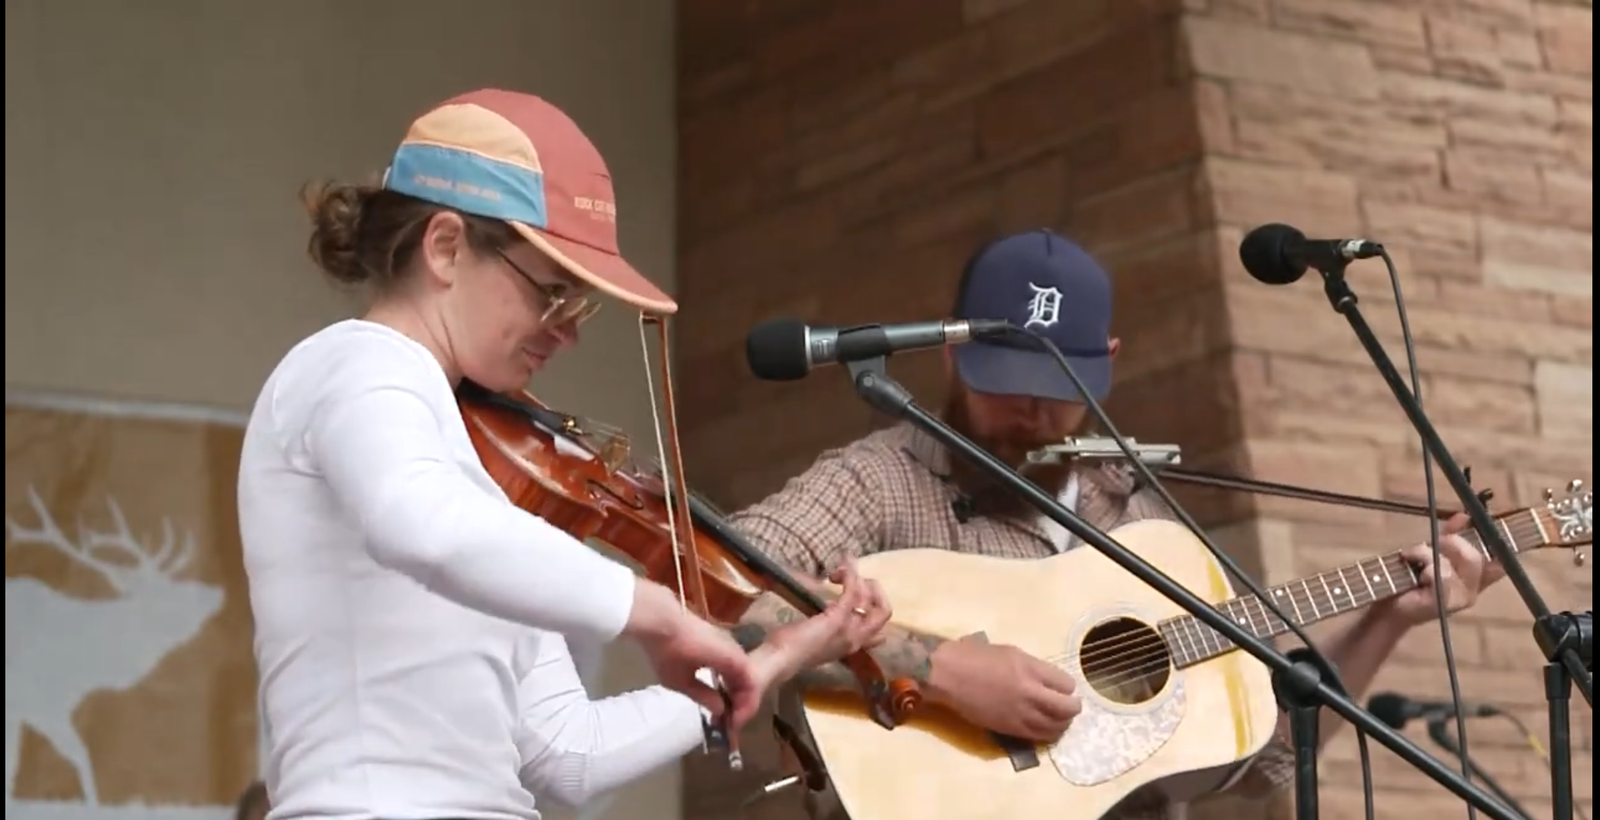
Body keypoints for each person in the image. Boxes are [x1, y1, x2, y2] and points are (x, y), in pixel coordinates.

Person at [236, 88, 891, 820]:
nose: (568, 331)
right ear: (445, 247)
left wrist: (773, 657)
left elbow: (570, 754)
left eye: (579, 304)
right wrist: (654, 610)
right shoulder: (355, 363)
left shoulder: (485, 479)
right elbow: (421, 525)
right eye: (552, 293)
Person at [723, 228, 1510, 819]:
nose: (1030, 411)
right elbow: (719, 599)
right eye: (1005, 379)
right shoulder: (877, 482)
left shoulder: (1142, 520)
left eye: (1056, 385)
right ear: (951, 353)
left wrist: (1388, 618)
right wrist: (942, 671)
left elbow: (1265, 755)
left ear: (1107, 359)